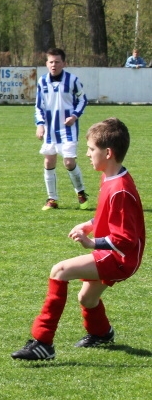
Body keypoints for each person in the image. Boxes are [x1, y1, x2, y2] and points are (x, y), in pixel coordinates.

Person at [12, 118, 145, 360]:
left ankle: (43, 342)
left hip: (120, 257)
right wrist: (89, 224)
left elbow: (126, 239)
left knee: (60, 270)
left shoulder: (121, 189)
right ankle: (101, 333)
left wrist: (92, 242)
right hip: (115, 253)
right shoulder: (110, 176)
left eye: (91, 149)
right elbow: (107, 216)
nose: (86, 154)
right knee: (86, 297)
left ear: (108, 153)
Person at [35, 47, 90, 211]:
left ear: (63, 63)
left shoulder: (73, 80)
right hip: (50, 130)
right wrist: (39, 124)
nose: (54, 65)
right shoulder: (42, 81)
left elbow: (83, 100)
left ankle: (80, 192)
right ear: (46, 63)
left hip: (68, 129)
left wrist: (74, 116)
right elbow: (39, 106)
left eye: (57, 62)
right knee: (48, 160)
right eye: (51, 62)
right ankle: (52, 199)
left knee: (68, 162)